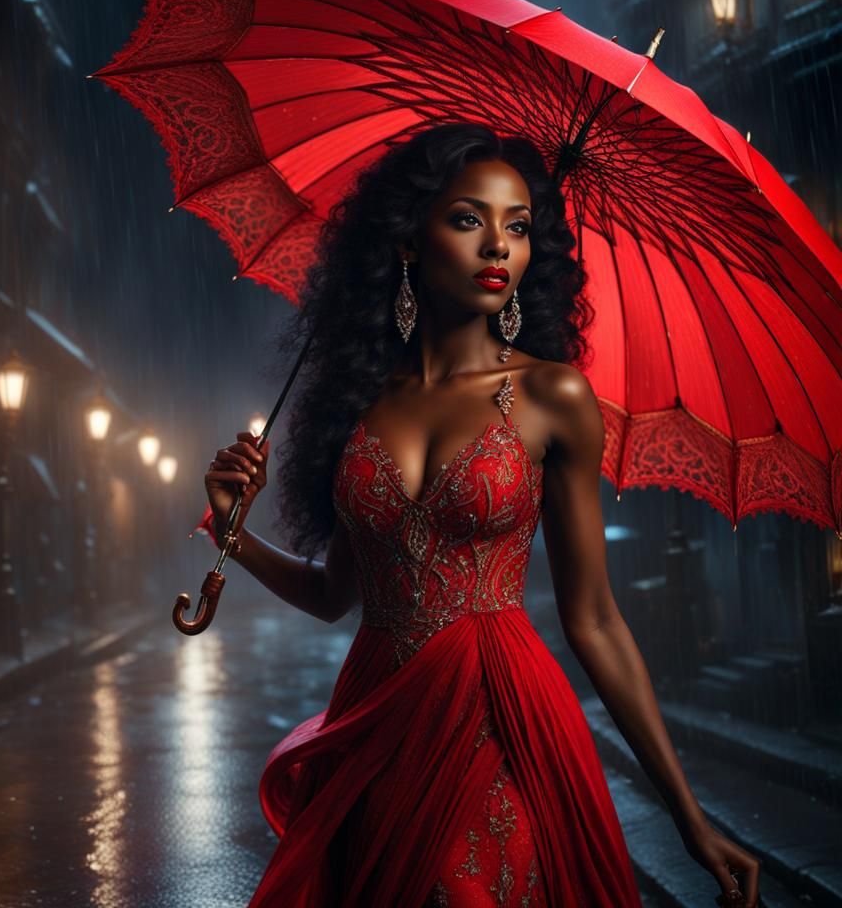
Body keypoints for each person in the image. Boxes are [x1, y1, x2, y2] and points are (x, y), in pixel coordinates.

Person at [204, 123, 761, 907]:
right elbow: (337, 596)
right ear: (409, 238)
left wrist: (688, 817)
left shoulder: (552, 398)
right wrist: (234, 529)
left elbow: (595, 619)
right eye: (469, 219)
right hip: (375, 723)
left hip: (500, 715)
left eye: (519, 226)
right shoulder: (357, 402)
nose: (499, 246)